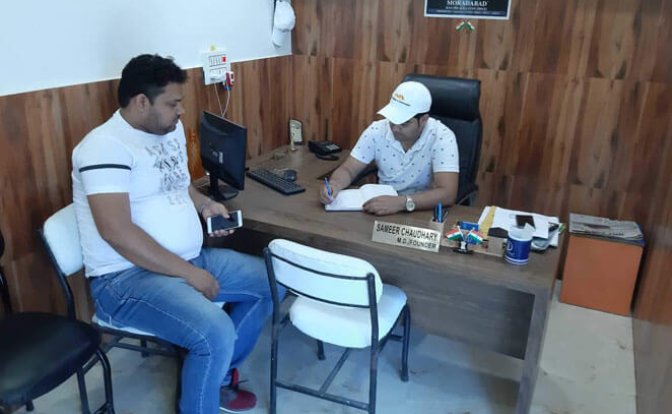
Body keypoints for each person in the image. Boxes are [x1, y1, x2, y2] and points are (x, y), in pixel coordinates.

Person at [71, 54, 284, 414]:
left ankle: (216, 375)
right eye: (173, 103)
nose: (181, 110)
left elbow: (178, 186)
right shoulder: (103, 147)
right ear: (142, 102)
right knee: (214, 331)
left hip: (187, 260)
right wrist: (190, 274)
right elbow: (116, 232)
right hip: (124, 280)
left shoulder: (167, 130)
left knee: (273, 282)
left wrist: (205, 205)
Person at [319, 81, 459, 215]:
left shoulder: (442, 137)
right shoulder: (377, 130)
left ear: (423, 120)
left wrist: (401, 203)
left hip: (420, 210)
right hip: (381, 206)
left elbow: (448, 193)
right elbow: (348, 169)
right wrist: (334, 185)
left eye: (404, 123)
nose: (395, 128)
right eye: (392, 120)